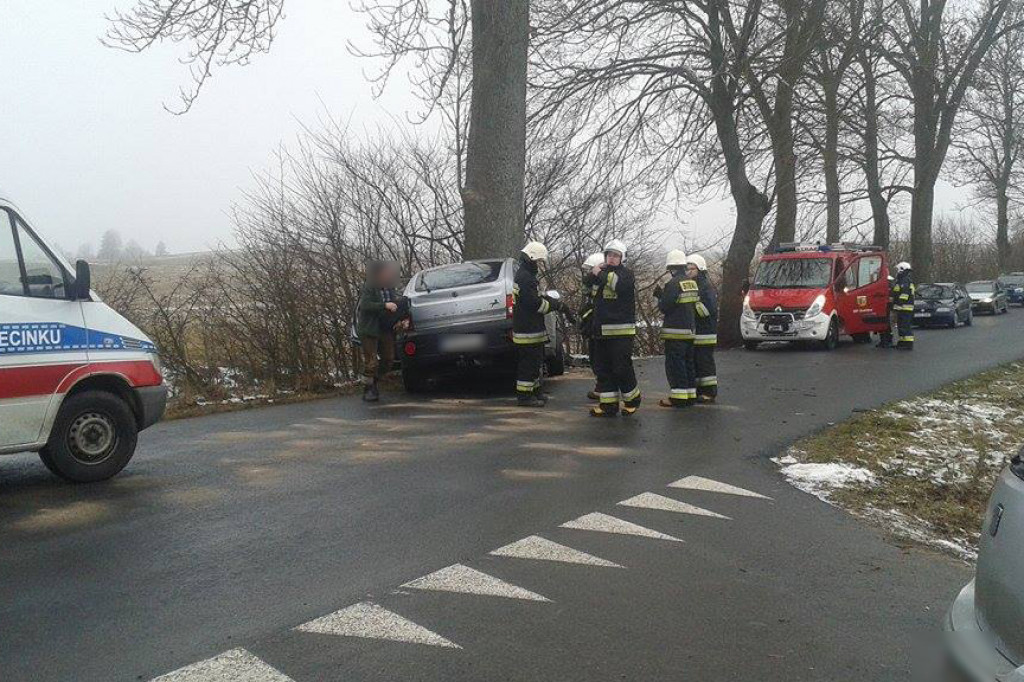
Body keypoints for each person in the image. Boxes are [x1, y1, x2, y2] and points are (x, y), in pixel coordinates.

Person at [513, 241, 570, 407]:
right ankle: (524, 397)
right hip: (527, 330)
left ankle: (535, 392)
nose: (539, 265)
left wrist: (552, 301)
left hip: (530, 329)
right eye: (538, 261)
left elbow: (536, 297)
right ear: (531, 258)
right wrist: (554, 305)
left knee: (536, 363)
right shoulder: (525, 278)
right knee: (528, 365)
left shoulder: (526, 275)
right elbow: (535, 304)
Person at [590, 239, 641, 417]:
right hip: (602, 331)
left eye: (615, 256)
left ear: (622, 258)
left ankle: (632, 400)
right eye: (609, 255)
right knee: (603, 369)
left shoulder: (626, 275)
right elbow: (588, 284)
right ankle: (608, 405)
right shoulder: (601, 273)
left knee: (621, 368)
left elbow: (616, 284)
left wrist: (599, 273)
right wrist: (595, 271)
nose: (611, 259)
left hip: (621, 332)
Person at [356, 260, 407, 402]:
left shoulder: (391, 289)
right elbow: (365, 305)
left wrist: (400, 320)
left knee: (389, 359)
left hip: (386, 328)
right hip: (369, 328)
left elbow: (395, 308)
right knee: (371, 362)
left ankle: (373, 382)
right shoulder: (370, 287)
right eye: (386, 272)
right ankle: (368, 389)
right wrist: (385, 305)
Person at [655, 249, 699, 408]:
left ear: (671, 268)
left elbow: (665, 307)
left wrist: (660, 296)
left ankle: (678, 397)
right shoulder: (691, 283)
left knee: (675, 364)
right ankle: (690, 394)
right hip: (690, 330)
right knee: (688, 363)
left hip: (675, 332)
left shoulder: (672, 284)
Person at [687, 254, 719, 403]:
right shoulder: (693, 285)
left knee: (705, 363)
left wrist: (692, 303)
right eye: (686, 268)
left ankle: (709, 392)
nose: (688, 271)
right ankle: (699, 390)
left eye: (691, 268)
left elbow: (708, 311)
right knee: (697, 363)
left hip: (705, 333)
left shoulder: (705, 287)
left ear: (699, 269)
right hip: (696, 332)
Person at [579, 252, 605, 400]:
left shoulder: (604, 281)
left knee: (600, 359)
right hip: (595, 324)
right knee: (595, 357)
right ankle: (601, 387)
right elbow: (585, 286)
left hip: (602, 326)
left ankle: (603, 388)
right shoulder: (594, 280)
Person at [891, 262, 915, 350]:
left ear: (902, 269)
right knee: (901, 326)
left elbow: (904, 294)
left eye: (898, 270)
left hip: (905, 308)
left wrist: (898, 303)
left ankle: (908, 344)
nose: (897, 272)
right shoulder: (902, 280)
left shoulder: (904, 281)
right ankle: (902, 342)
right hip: (902, 308)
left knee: (905, 326)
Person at [877, 275, 896, 348]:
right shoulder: (884, 287)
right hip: (882, 307)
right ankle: (883, 341)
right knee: (881, 323)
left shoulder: (891, 288)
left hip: (887, 307)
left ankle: (888, 340)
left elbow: (891, 299)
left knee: (886, 324)